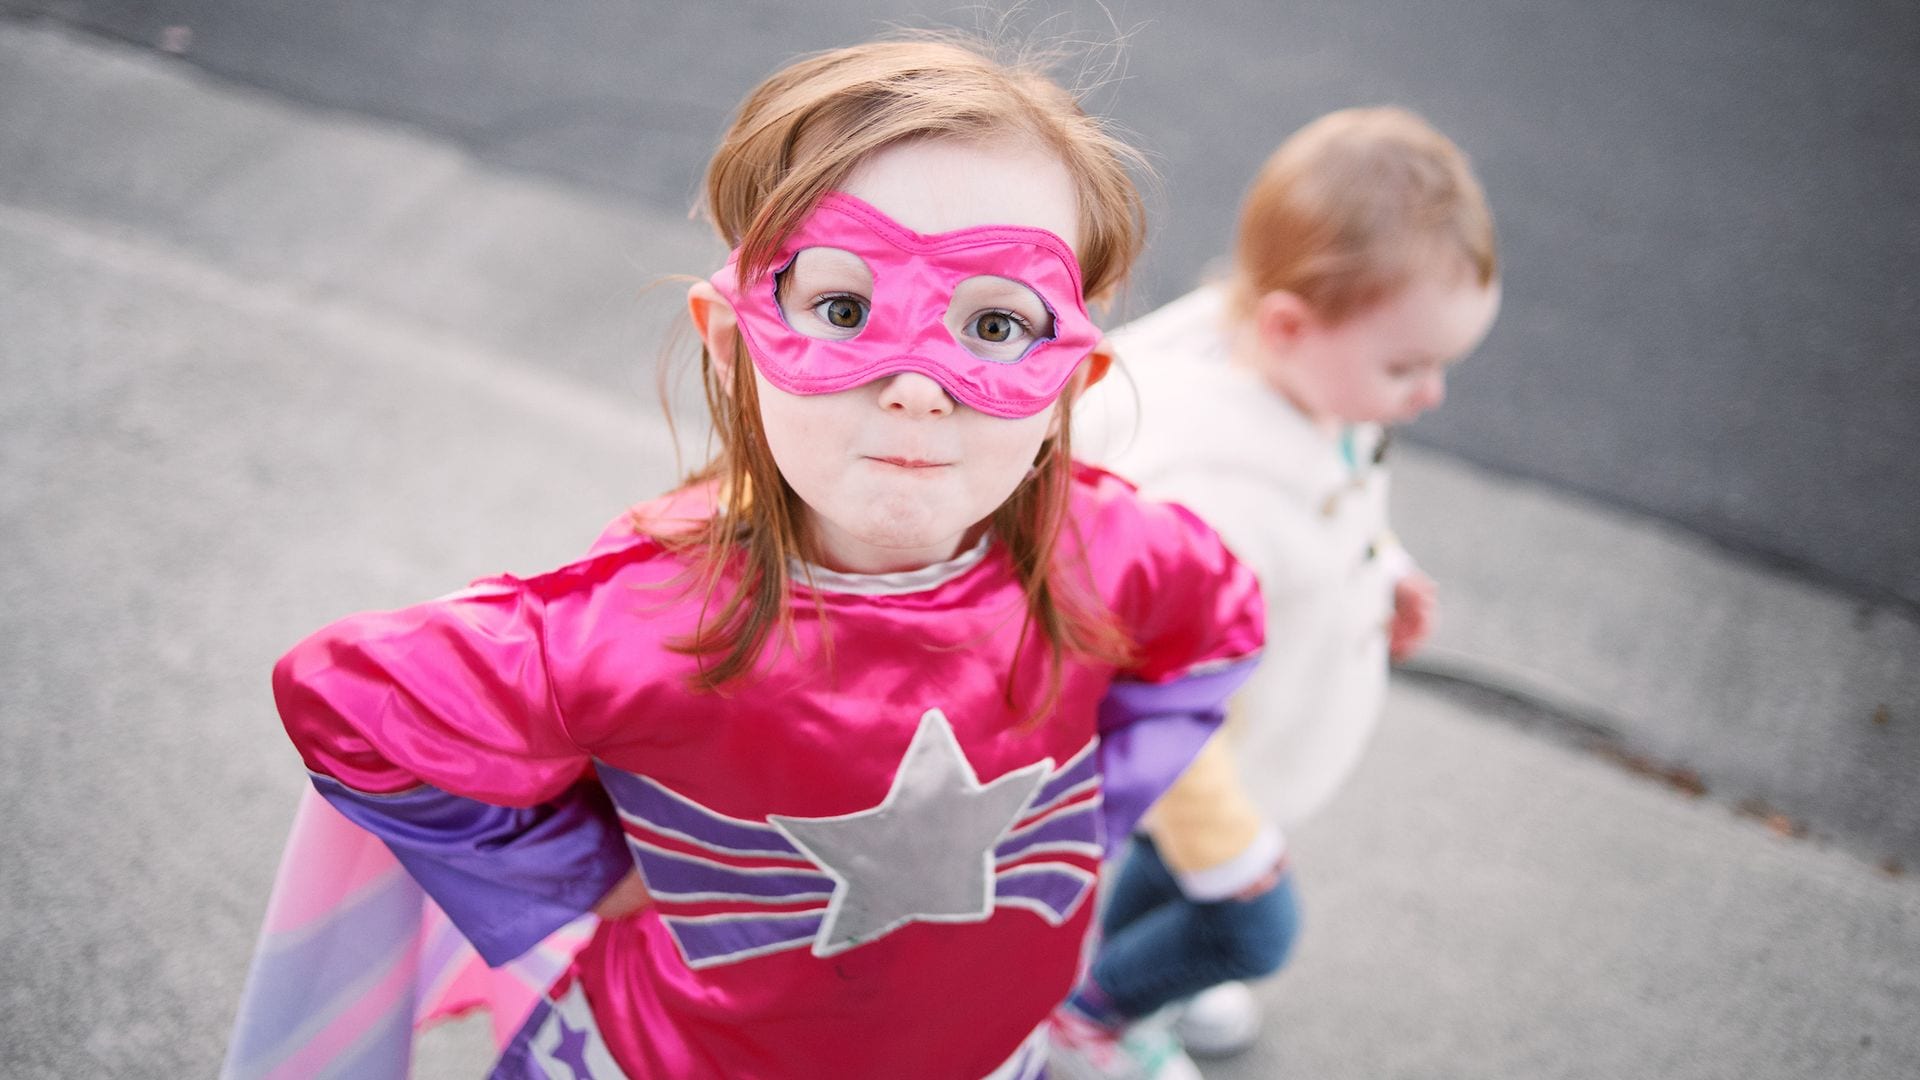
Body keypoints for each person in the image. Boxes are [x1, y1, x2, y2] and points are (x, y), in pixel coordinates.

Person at [246, 38, 1268, 1080]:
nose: (919, 385)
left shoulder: (1118, 555)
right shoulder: (640, 624)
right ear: (733, 342)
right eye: (842, 309)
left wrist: (1085, 818)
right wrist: (590, 870)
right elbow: (353, 702)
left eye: (997, 323)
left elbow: (1220, 626)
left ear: (1070, 387)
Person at [1052, 106, 1502, 1078]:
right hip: (1208, 767)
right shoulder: (1210, 496)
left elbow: (1339, 485)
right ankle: (1090, 1027)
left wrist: (1383, 567)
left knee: (1172, 891)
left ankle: (1149, 971)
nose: (1431, 395)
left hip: (1258, 729)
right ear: (1290, 325)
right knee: (1251, 925)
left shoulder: (1298, 376)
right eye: (1409, 367)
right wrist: (1230, 847)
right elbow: (1148, 689)